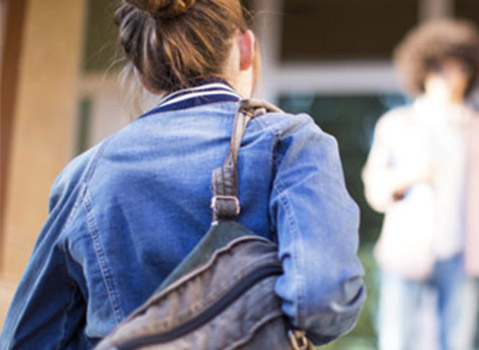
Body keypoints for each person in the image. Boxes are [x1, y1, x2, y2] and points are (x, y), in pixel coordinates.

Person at [0, 0, 365, 348]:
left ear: (143, 74)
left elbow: (27, 338)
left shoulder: (84, 175)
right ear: (246, 49)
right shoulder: (291, 143)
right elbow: (322, 300)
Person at [362, 19, 479, 350]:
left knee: (458, 342)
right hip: (406, 250)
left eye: (460, 69)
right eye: (442, 69)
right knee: (397, 341)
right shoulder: (396, 124)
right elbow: (374, 189)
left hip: (464, 250)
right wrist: (409, 176)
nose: (451, 78)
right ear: (423, 71)